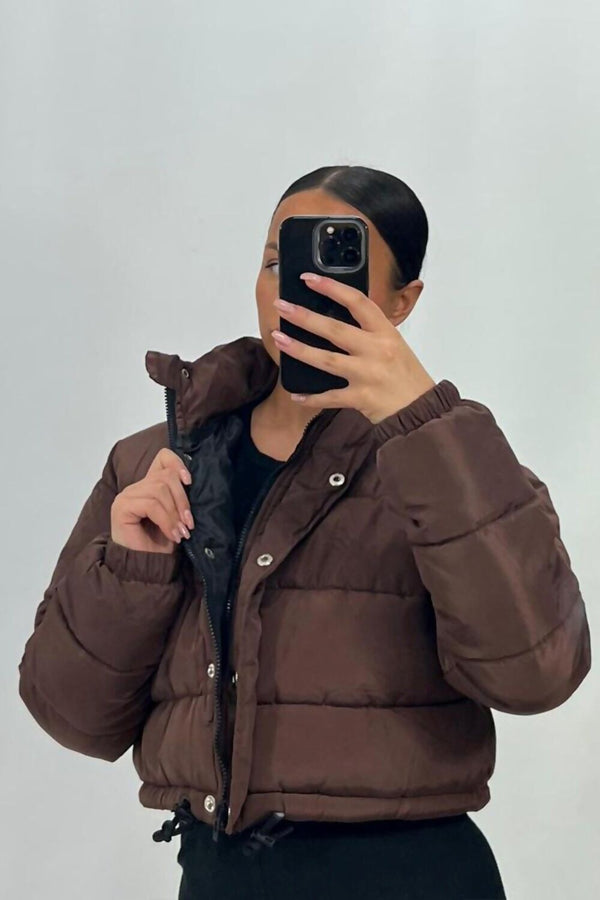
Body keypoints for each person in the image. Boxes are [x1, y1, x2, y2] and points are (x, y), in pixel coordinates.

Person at [18, 165, 591, 900]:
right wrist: (133, 569)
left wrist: (421, 423)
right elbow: (74, 719)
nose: (297, 288)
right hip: (219, 875)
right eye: (277, 262)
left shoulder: (452, 462)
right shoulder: (154, 465)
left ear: (403, 301)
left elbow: (536, 674)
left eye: (338, 265)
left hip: (410, 876)